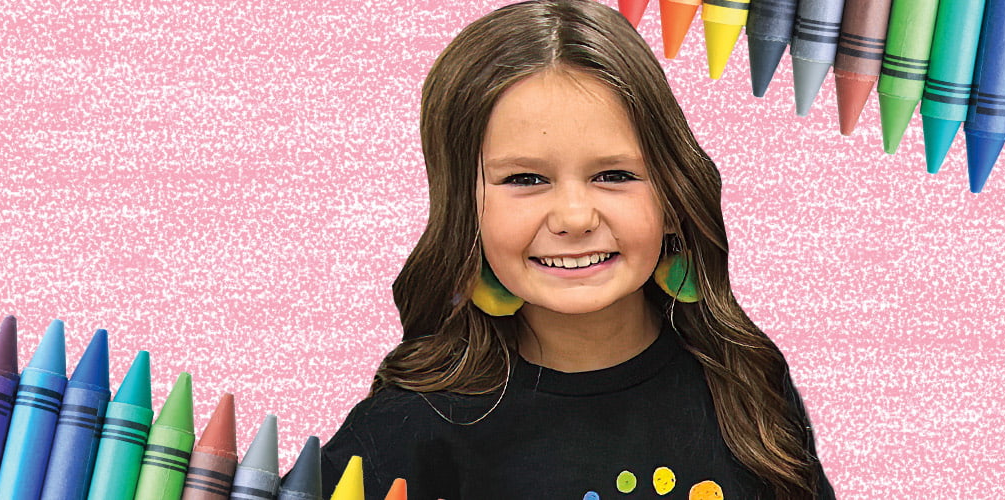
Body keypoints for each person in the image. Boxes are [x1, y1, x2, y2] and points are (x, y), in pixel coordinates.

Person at [319, 1, 835, 498]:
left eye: (614, 175)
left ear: (675, 197)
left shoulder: (745, 377)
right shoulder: (410, 423)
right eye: (524, 178)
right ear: (464, 212)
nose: (574, 217)